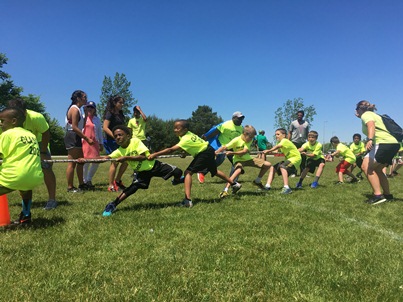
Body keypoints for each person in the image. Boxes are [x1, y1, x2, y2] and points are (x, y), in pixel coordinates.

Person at [79, 125, 184, 216]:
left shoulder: (135, 141)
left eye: (120, 135)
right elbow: (104, 159)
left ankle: (177, 180)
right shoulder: (119, 151)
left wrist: (126, 158)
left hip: (155, 166)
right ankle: (112, 204)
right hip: (142, 173)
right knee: (131, 189)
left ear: (128, 136)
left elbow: (143, 157)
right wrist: (86, 160)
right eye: (115, 136)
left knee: (178, 172)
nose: (118, 137)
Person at [148, 119, 242, 207]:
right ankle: (234, 184)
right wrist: (184, 152)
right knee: (215, 171)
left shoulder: (185, 138)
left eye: (178, 128)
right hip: (209, 150)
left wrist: (155, 154)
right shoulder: (189, 134)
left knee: (188, 172)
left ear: (185, 129)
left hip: (203, 153)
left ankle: (187, 201)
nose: (175, 130)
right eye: (174, 128)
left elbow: (170, 150)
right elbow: (193, 145)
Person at [8, 98, 58, 210]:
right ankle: (25, 202)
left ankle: (52, 200)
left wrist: (43, 151)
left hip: (39, 142)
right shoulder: (6, 120)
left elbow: (45, 133)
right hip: (18, 144)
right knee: (22, 171)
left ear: (25, 111)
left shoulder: (36, 117)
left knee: (46, 167)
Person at [0, 107, 44, 224]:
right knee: (25, 189)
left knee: (18, 180)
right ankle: (25, 215)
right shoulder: (31, 135)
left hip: (14, 176)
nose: (0, 124)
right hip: (34, 177)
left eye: (2, 121)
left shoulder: (7, 134)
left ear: (13, 121)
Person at [355, 100, 400, 204]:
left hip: (383, 143)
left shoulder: (366, 115)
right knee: (378, 169)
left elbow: (371, 125)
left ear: (359, 109)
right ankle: (388, 195)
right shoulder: (373, 114)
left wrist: (370, 139)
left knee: (366, 167)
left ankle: (378, 195)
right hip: (393, 144)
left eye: (357, 109)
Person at [215, 125, 273, 198]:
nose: (251, 139)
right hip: (238, 160)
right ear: (245, 134)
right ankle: (225, 190)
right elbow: (224, 147)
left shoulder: (249, 140)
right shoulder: (236, 140)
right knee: (238, 171)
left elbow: (244, 152)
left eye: (252, 137)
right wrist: (216, 152)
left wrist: (232, 153)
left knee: (267, 164)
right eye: (251, 137)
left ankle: (257, 181)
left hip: (248, 158)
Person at [197, 111, 245, 183]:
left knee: (236, 161)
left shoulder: (241, 128)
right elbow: (214, 132)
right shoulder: (226, 124)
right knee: (219, 160)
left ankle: (232, 180)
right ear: (233, 118)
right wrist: (205, 138)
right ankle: (202, 172)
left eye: (242, 118)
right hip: (221, 145)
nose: (241, 120)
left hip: (231, 147)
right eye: (239, 118)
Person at [64, 90, 93, 192]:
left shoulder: (79, 110)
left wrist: (85, 114)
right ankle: (70, 187)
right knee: (72, 162)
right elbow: (75, 128)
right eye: (84, 97)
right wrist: (86, 138)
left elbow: (82, 126)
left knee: (81, 162)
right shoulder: (74, 109)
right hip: (72, 135)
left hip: (76, 135)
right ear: (78, 98)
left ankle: (81, 184)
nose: (86, 99)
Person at [263, 128, 302, 194]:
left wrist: (269, 150)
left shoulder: (285, 140)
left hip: (296, 159)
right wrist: (268, 152)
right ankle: (267, 186)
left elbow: (278, 146)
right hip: (289, 159)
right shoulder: (279, 142)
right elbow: (276, 151)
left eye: (278, 134)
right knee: (273, 168)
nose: (276, 136)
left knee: (282, 166)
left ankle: (287, 188)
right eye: (275, 134)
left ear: (284, 135)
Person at [103, 95, 128, 192]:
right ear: (115, 103)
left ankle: (117, 181)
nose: (122, 105)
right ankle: (110, 185)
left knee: (126, 161)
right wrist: (115, 137)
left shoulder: (121, 114)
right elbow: (105, 127)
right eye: (120, 103)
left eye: (123, 103)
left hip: (120, 141)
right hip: (111, 141)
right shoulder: (110, 113)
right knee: (115, 162)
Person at [82, 101, 104, 189]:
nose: (90, 109)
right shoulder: (83, 117)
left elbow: (99, 132)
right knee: (86, 162)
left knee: (96, 162)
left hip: (95, 142)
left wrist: (101, 143)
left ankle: (89, 179)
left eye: (92, 107)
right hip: (85, 142)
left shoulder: (97, 119)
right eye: (88, 107)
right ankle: (84, 181)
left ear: (95, 109)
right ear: (85, 108)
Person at [288, 110, 309, 175]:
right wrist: (288, 141)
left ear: (303, 116)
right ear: (297, 115)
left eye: (301, 115)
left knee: (303, 158)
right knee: (295, 158)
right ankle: (293, 172)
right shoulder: (293, 123)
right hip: (295, 142)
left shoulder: (306, 123)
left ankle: (302, 172)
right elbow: (290, 132)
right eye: (298, 115)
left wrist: (308, 142)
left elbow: (307, 133)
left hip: (303, 143)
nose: (299, 116)